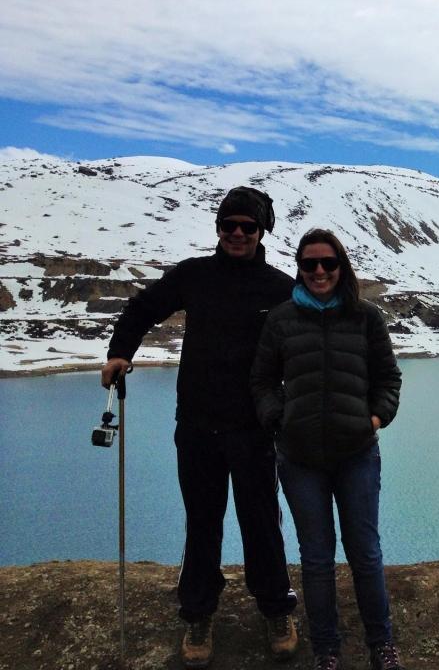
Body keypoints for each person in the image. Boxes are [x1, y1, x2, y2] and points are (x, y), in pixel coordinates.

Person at [101, 186, 299, 668]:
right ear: (218, 229)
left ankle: (276, 609)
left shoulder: (279, 287)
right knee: (202, 522)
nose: (236, 234)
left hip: (253, 428)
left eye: (246, 227)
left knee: (261, 521)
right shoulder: (194, 276)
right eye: (227, 225)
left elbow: (307, 344)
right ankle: (198, 613)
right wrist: (120, 352)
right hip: (196, 424)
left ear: (261, 231)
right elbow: (142, 309)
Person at [251, 228, 404, 670]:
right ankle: (327, 650)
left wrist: (374, 418)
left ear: (342, 266)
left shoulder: (366, 317)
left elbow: (388, 379)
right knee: (316, 559)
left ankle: (382, 644)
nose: (319, 271)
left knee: (365, 553)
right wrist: (277, 419)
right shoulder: (281, 320)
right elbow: (261, 381)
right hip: (299, 459)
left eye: (328, 263)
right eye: (310, 263)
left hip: (356, 453)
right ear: (299, 267)